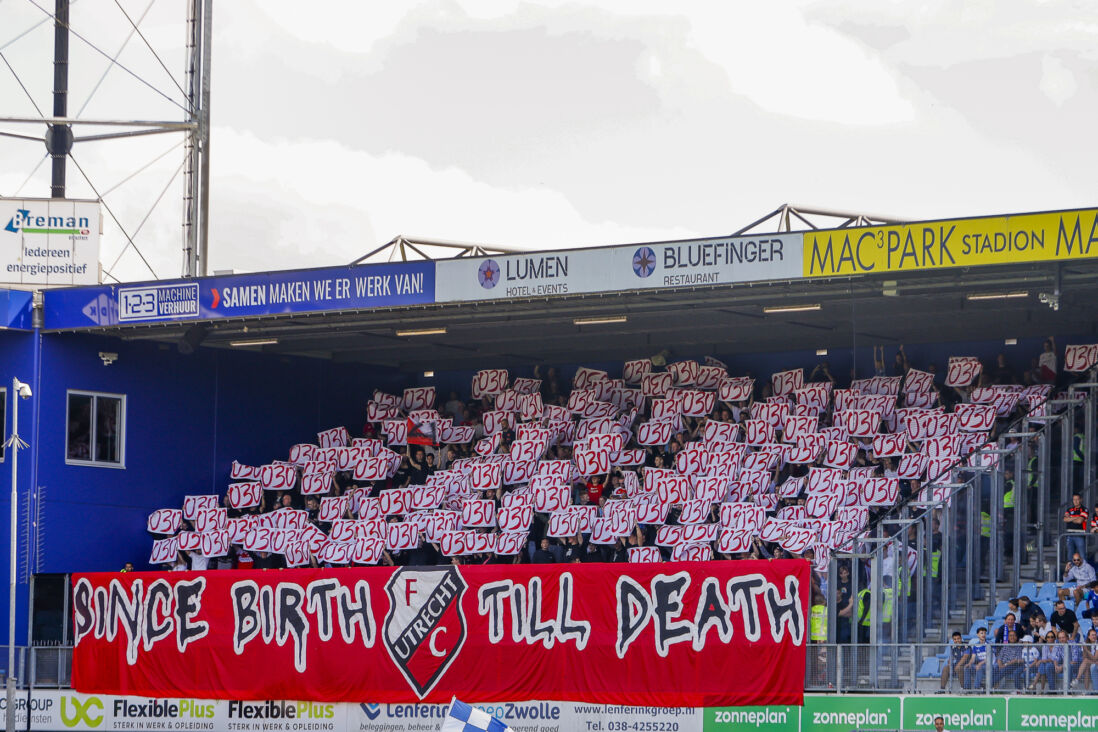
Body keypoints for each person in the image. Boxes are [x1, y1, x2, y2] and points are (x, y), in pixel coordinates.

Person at [1064, 493, 1089, 560]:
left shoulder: (1084, 509)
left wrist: (1070, 518)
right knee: (1070, 555)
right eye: (1074, 499)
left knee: (1082, 555)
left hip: (1080, 534)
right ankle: (1072, 567)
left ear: (1081, 500)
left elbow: (1080, 521)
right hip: (1069, 534)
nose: (1075, 501)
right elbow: (1065, 519)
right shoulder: (1069, 509)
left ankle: (1084, 567)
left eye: (1077, 499)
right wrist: (1077, 517)